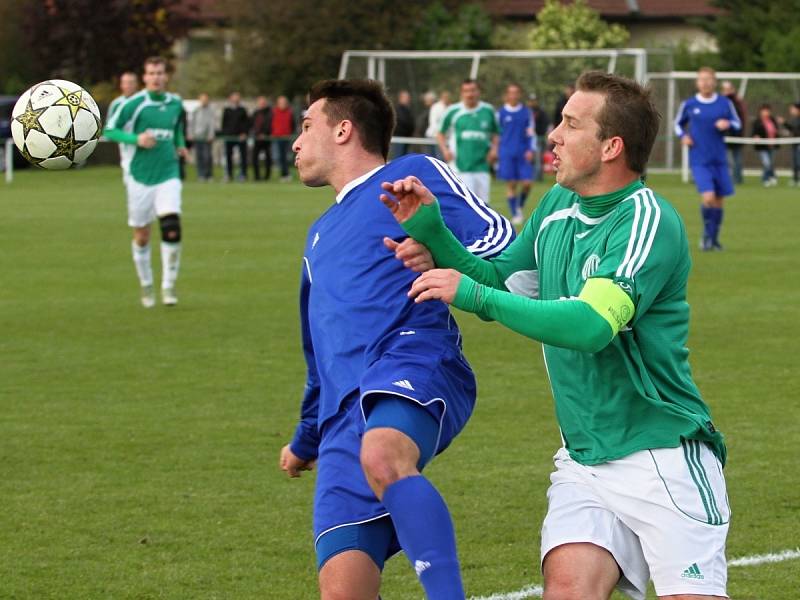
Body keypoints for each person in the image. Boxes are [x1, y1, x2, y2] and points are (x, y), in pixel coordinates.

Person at [382, 70, 729, 600]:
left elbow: (590, 326)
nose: (553, 136)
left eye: (570, 124)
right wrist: (433, 233)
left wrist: (472, 295)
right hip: (584, 459)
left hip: (660, 456)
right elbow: (502, 282)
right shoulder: (554, 208)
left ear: (611, 146)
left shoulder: (646, 220)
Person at [280, 78, 514, 599]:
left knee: (384, 454)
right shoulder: (317, 236)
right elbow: (318, 357)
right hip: (341, 417)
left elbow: (506, 250)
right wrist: (305, 440)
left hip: (412, 356)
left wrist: (441, 249)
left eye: (305, 126)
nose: (295, 142)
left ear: (343, 130)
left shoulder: (410, 176)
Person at [104, 56, 188, 307]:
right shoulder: (135, 104)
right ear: (145, 77)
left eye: (160, 73)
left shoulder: (176, 103)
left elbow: (177, 129)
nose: (156, 78)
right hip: (139, 176)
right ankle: (146, 284)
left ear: (166, 76)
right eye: (151, 73)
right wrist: (135, 139)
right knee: (142, 234)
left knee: (171, 225)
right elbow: (109, 129)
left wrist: (181, 146)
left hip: (168, 173)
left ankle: (168, 287)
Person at [674, 67, 741, 251]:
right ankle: (707, 235)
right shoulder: (689, 104)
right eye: (702, 79)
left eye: (709, 79)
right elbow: (677, 124)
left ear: (715, 82)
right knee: (709, 197)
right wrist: (683, 137)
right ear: (697, 82)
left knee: (719, 200)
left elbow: (737, 123)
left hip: (719, 159)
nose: (705, 83)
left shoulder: (724, 103)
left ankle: (713, 239)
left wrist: (727, 123)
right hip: (699, 160)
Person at [437, 79, 499, 203]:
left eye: (473, 90)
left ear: (478, 92)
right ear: (461, 93)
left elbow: (496, 132)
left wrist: (494, 150)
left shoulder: (488, 110)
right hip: (460, 166)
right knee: (465, 203)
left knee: (483, 204)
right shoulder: (453, 111)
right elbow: (440, 133)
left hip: (482, 166)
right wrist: (445, 149)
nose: (470, 94)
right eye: (466, 91)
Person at [497, 83, 535, 225]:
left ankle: (519, 205)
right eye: (510, 92)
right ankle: (515, 213)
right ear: (507, 95)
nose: (513, 95)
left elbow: (531, 132)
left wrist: (531, 149)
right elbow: (496, 134)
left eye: (516, 92)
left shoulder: (526, 112)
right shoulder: (500, 113)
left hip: (523, 152)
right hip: (506, 152)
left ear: (519, 94)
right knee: (511, 184)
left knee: (527, 183)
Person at [106, 71, 140, 184]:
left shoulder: (142, 102)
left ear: (136, 84)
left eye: (131, 82)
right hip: (127, 148)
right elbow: (109, 129)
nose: (128, 86)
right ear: (121, 85)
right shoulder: (117, 103)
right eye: (126, 83)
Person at [720, 80, 746, 184]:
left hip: (735, 135)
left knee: (735, 160)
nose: (725, 91)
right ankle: (731, 179)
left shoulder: (734, 103)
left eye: (727, 89)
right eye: (724, 89)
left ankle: (736, 179)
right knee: (730, 160)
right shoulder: (722, 102)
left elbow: (739, 120)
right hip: (726, 136)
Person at [221, 91, 249, 182]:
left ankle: (243, 174)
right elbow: (224, 124)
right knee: (228, 156)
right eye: (234, 97)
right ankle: (228, 174)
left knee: (243, 156)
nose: (236, 99)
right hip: (229, 137)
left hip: (240, 137)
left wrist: (244, 133)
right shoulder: (226, 110)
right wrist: (225, 134)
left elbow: (246, 123)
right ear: (230, 98)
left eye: (237, 97)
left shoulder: (242, 110)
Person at [188, 92, 215, 182]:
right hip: (197, 137)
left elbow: (212, 124)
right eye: (202, 99)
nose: (204, 101)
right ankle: (201, 175)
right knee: (199, 157)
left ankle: (209, 175)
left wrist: (211, 135)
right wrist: (191, 134)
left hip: (207, 138)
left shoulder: (211, 111)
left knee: (207, 157)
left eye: (205, 99)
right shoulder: (196, 110)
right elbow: (191, 124)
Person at [751, 103, 779, 187]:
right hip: (762, 146)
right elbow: (753, 133)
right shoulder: (757, 122)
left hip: (772, 145)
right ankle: (765, 179)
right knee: (766, 163)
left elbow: (776, 131)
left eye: (767, 111)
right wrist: (756, 136)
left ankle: (772, 177)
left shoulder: (773, 120)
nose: (766, 113)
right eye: (764, 111)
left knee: (771, 163)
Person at [271, 95, 295, 182]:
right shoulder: (274, 112)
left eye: (284, 102)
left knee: (286, 157)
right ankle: (284, 174)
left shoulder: (289, 112)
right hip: (276, 137)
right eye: (281, 102)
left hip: (286, 137)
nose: (283, 104)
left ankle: (286, 174)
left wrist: (290, 133)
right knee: (279, 157)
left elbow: (292, 124)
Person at [527, 92, 549, 182]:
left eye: (534, 101)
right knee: (532, 159)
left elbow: (545, 123)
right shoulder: (526, 112)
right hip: (529, 139)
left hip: (539, 137)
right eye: (530, 101)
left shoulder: (540, 112)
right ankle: (532, 176)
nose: (532, 102)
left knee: (538, 159)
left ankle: (537, 178)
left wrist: (538, 132)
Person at [251, 95, 272, 181]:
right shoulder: (255, 113)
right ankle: (257, 176)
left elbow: (270, 125)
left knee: (268, 158)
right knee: (254, 158)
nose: (262, 104)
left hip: (266, 138)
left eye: (263, 102)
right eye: (260, 102)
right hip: (257, 138)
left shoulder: (270, 113)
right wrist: (256, 134)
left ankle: (267, 177)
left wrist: (265, 134)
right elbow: (253, 124)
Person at [426, 90, 451, 160]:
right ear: (442, 97)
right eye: (445, 96)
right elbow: (433, 122)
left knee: (442, 159)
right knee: (434, 159)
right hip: (433, 136)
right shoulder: (436, 107)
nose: (446, 98)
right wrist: (440, 134)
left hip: (444, 138)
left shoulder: (451, 107)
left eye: (448, 97)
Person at [392, 89, 415, 158]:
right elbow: (403, 122)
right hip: (399, 138)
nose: (408, 99)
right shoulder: (397, 109)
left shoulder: (408, 109)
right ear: (400, 98)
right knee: (398, 158)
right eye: (406, 97)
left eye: (408, 98)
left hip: (407, 138)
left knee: (405, 159)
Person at [786, 102, 800, 186]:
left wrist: (785, 123)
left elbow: (796, 130)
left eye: (793, 109)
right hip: (795, 144)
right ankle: (795, 179)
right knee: (795, 162)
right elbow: (793, 129)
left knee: (798, 162)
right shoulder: (794, 119)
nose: (791, 110)